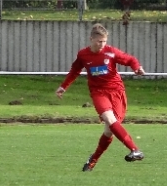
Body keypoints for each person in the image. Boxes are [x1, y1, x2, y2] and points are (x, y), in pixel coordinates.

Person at [56, 23, 145, 171]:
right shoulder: (83, 55)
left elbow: (130, 59)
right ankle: (135, 149)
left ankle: (93, 159)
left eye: (104, 41)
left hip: (116, 92)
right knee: (110, 120)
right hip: (98, 92)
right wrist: (63, 86)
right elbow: (74, 71)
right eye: (99, 41)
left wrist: (137, 68)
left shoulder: (110, 52)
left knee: (109, 130)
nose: (102, 44)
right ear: (91, 39)